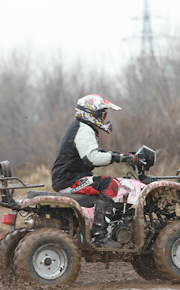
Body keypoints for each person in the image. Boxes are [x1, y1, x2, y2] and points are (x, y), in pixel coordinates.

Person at [51, 94, 130, 248]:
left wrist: (119, 155)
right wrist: (116, 157)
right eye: (102, 114)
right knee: (110, 183)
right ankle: (99, 237)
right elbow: (91, 158)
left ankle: (100, 226)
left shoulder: (79, 127)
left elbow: (91, 153)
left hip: (67, 178)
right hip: (70, 180)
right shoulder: (84, 128)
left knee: (107, 182)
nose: (103, 118)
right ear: (91, 113)